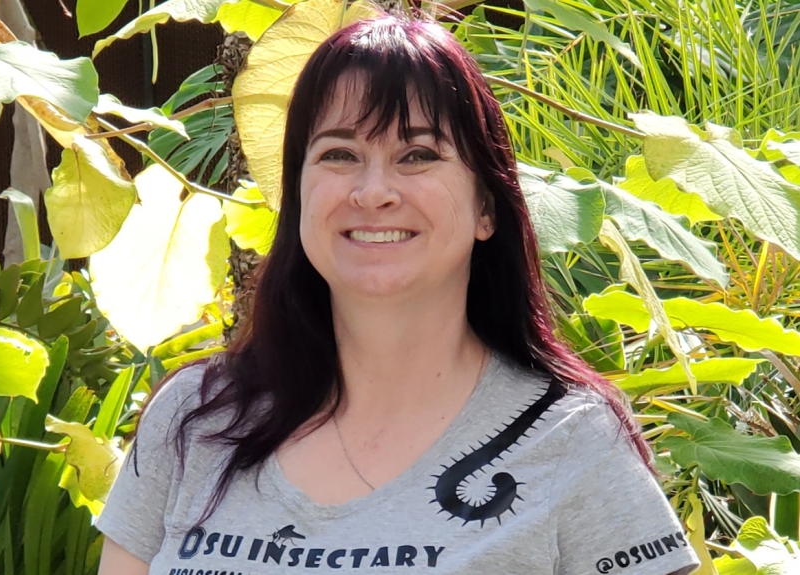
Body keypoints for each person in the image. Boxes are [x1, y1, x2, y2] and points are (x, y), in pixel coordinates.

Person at [96, 14, 700, 575]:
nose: (373, 191)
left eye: (417, 155)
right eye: (339, 154)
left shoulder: (572, 440)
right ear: (299, 195)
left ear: (486, 206)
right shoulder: (195, 420)